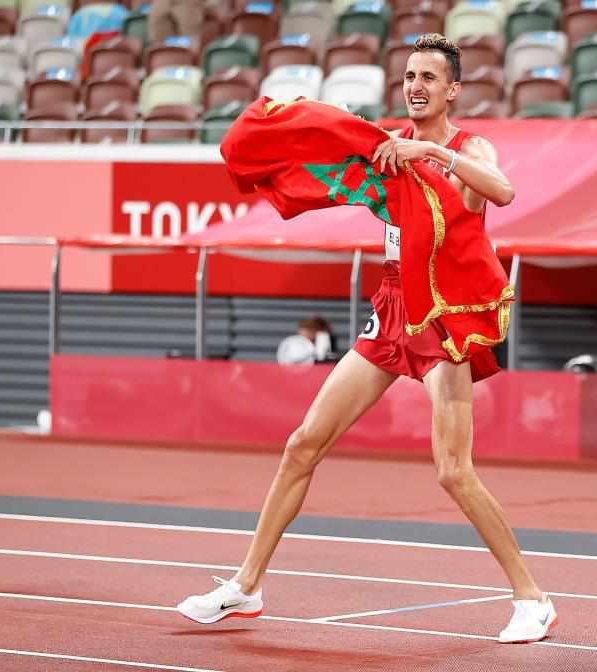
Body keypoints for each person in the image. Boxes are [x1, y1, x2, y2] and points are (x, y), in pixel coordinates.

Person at [178, 34, 557, 644]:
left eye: (429, 78)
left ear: (452, 90)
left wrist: (435, 157)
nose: (415, 86)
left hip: (443, 315)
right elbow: (331, 152)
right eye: (409, 76)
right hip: (391, 306)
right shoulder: (385, 145)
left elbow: (504, 191)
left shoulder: (467, 145)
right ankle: (245, 588)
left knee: (453, 471)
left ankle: (531, 598)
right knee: (303, 443)